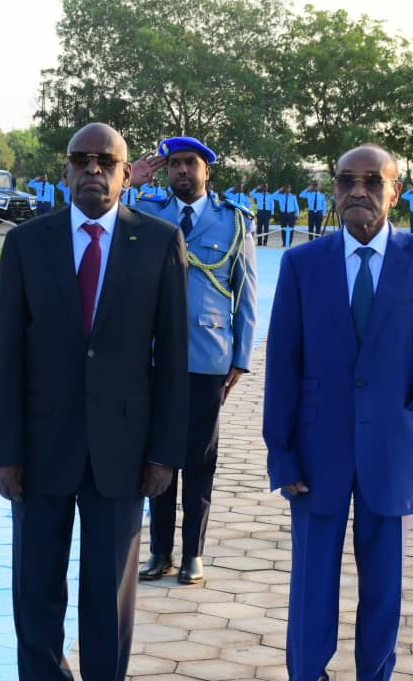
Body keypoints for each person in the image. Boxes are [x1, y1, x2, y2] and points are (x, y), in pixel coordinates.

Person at [0, 123, 189, 680]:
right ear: (65, 172)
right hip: (39, 449)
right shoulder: (27, 243)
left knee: (108, 598)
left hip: (122, 454)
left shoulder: (156, 241)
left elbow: (171, 356)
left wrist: (164, 453)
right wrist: (4, 452)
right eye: (81, 160)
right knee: (36, 594)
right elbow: (9, 354)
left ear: (127, 174)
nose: (93, 170)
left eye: (106, 161)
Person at [263, 144, 413, 681]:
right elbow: (283, 361)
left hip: (391, 450)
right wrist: (282, 454)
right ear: (332, 190)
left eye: (373, 181)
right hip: (316, 451)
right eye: (346, 180)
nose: (358, 191)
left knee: (383, 587)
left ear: (396, 191)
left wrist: (409, 427)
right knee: (311, 587)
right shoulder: (302, 264)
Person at [131, 137, 257, 585]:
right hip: (154, 356)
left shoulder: (233, 222)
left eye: (190, 164)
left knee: (200, 460)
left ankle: (193, 554)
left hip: (208, 356)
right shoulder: (148, 213)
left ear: (207, 171)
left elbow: (246, 292)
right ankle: (160, 550)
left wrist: (240, 357)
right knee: (157, 454)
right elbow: (102, 221)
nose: (182, 171)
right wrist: (130, 179)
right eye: (174, 165)